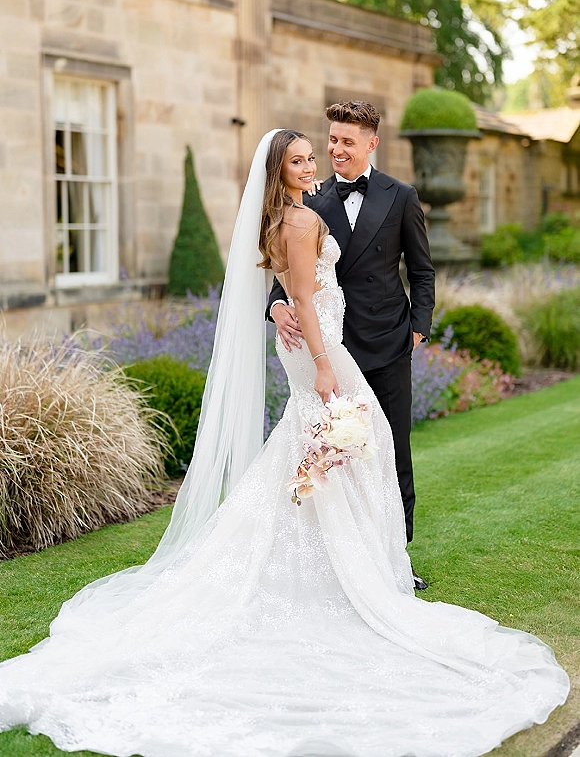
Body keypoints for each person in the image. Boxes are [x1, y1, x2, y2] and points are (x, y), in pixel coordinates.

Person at [0, 130, 568, 757]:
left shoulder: (290, 214)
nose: (312, 164)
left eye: (314, 156)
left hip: (317, 340)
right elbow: (300, 290)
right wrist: (324, 362)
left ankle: (336, 549)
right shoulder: (299, 220)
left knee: (331, 439)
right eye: (299, 159)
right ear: (280, 170)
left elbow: (318, 281)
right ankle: (339, 561)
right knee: (349, 433)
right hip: (319, 347)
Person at [268, 102, 434, 588]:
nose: (336, 150)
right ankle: (335, 559)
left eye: (347, 141)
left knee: (390, 449)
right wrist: (275, 308)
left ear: (371, 144)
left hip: (386, 343)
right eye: (332, 140)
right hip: (328, 346)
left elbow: (422, 271)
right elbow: (289, 275)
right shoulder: (309, 200)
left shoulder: (401, 196)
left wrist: (416, 329)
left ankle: (395, 560)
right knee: (328, 454)